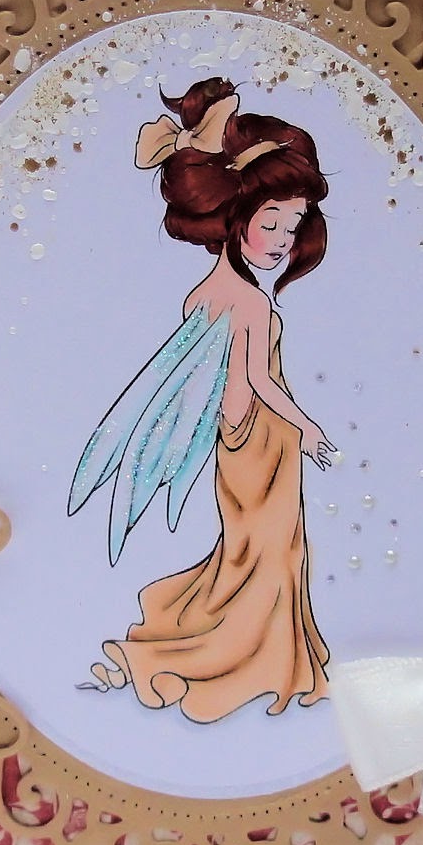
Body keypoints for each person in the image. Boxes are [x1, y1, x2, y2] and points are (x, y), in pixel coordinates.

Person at [67, 77, 335, 723]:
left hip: (233, 440)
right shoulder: (250, 302)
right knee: (272, 552)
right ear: (234, 218)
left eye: (293, 223)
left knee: (251, 551)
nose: (283, 238)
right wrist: (308, 428)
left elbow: (213, 379)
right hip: (263, 440)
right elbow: (259, 380)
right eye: (270, 222)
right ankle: (232, 661)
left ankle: (240, 652)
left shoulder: (203, 294)